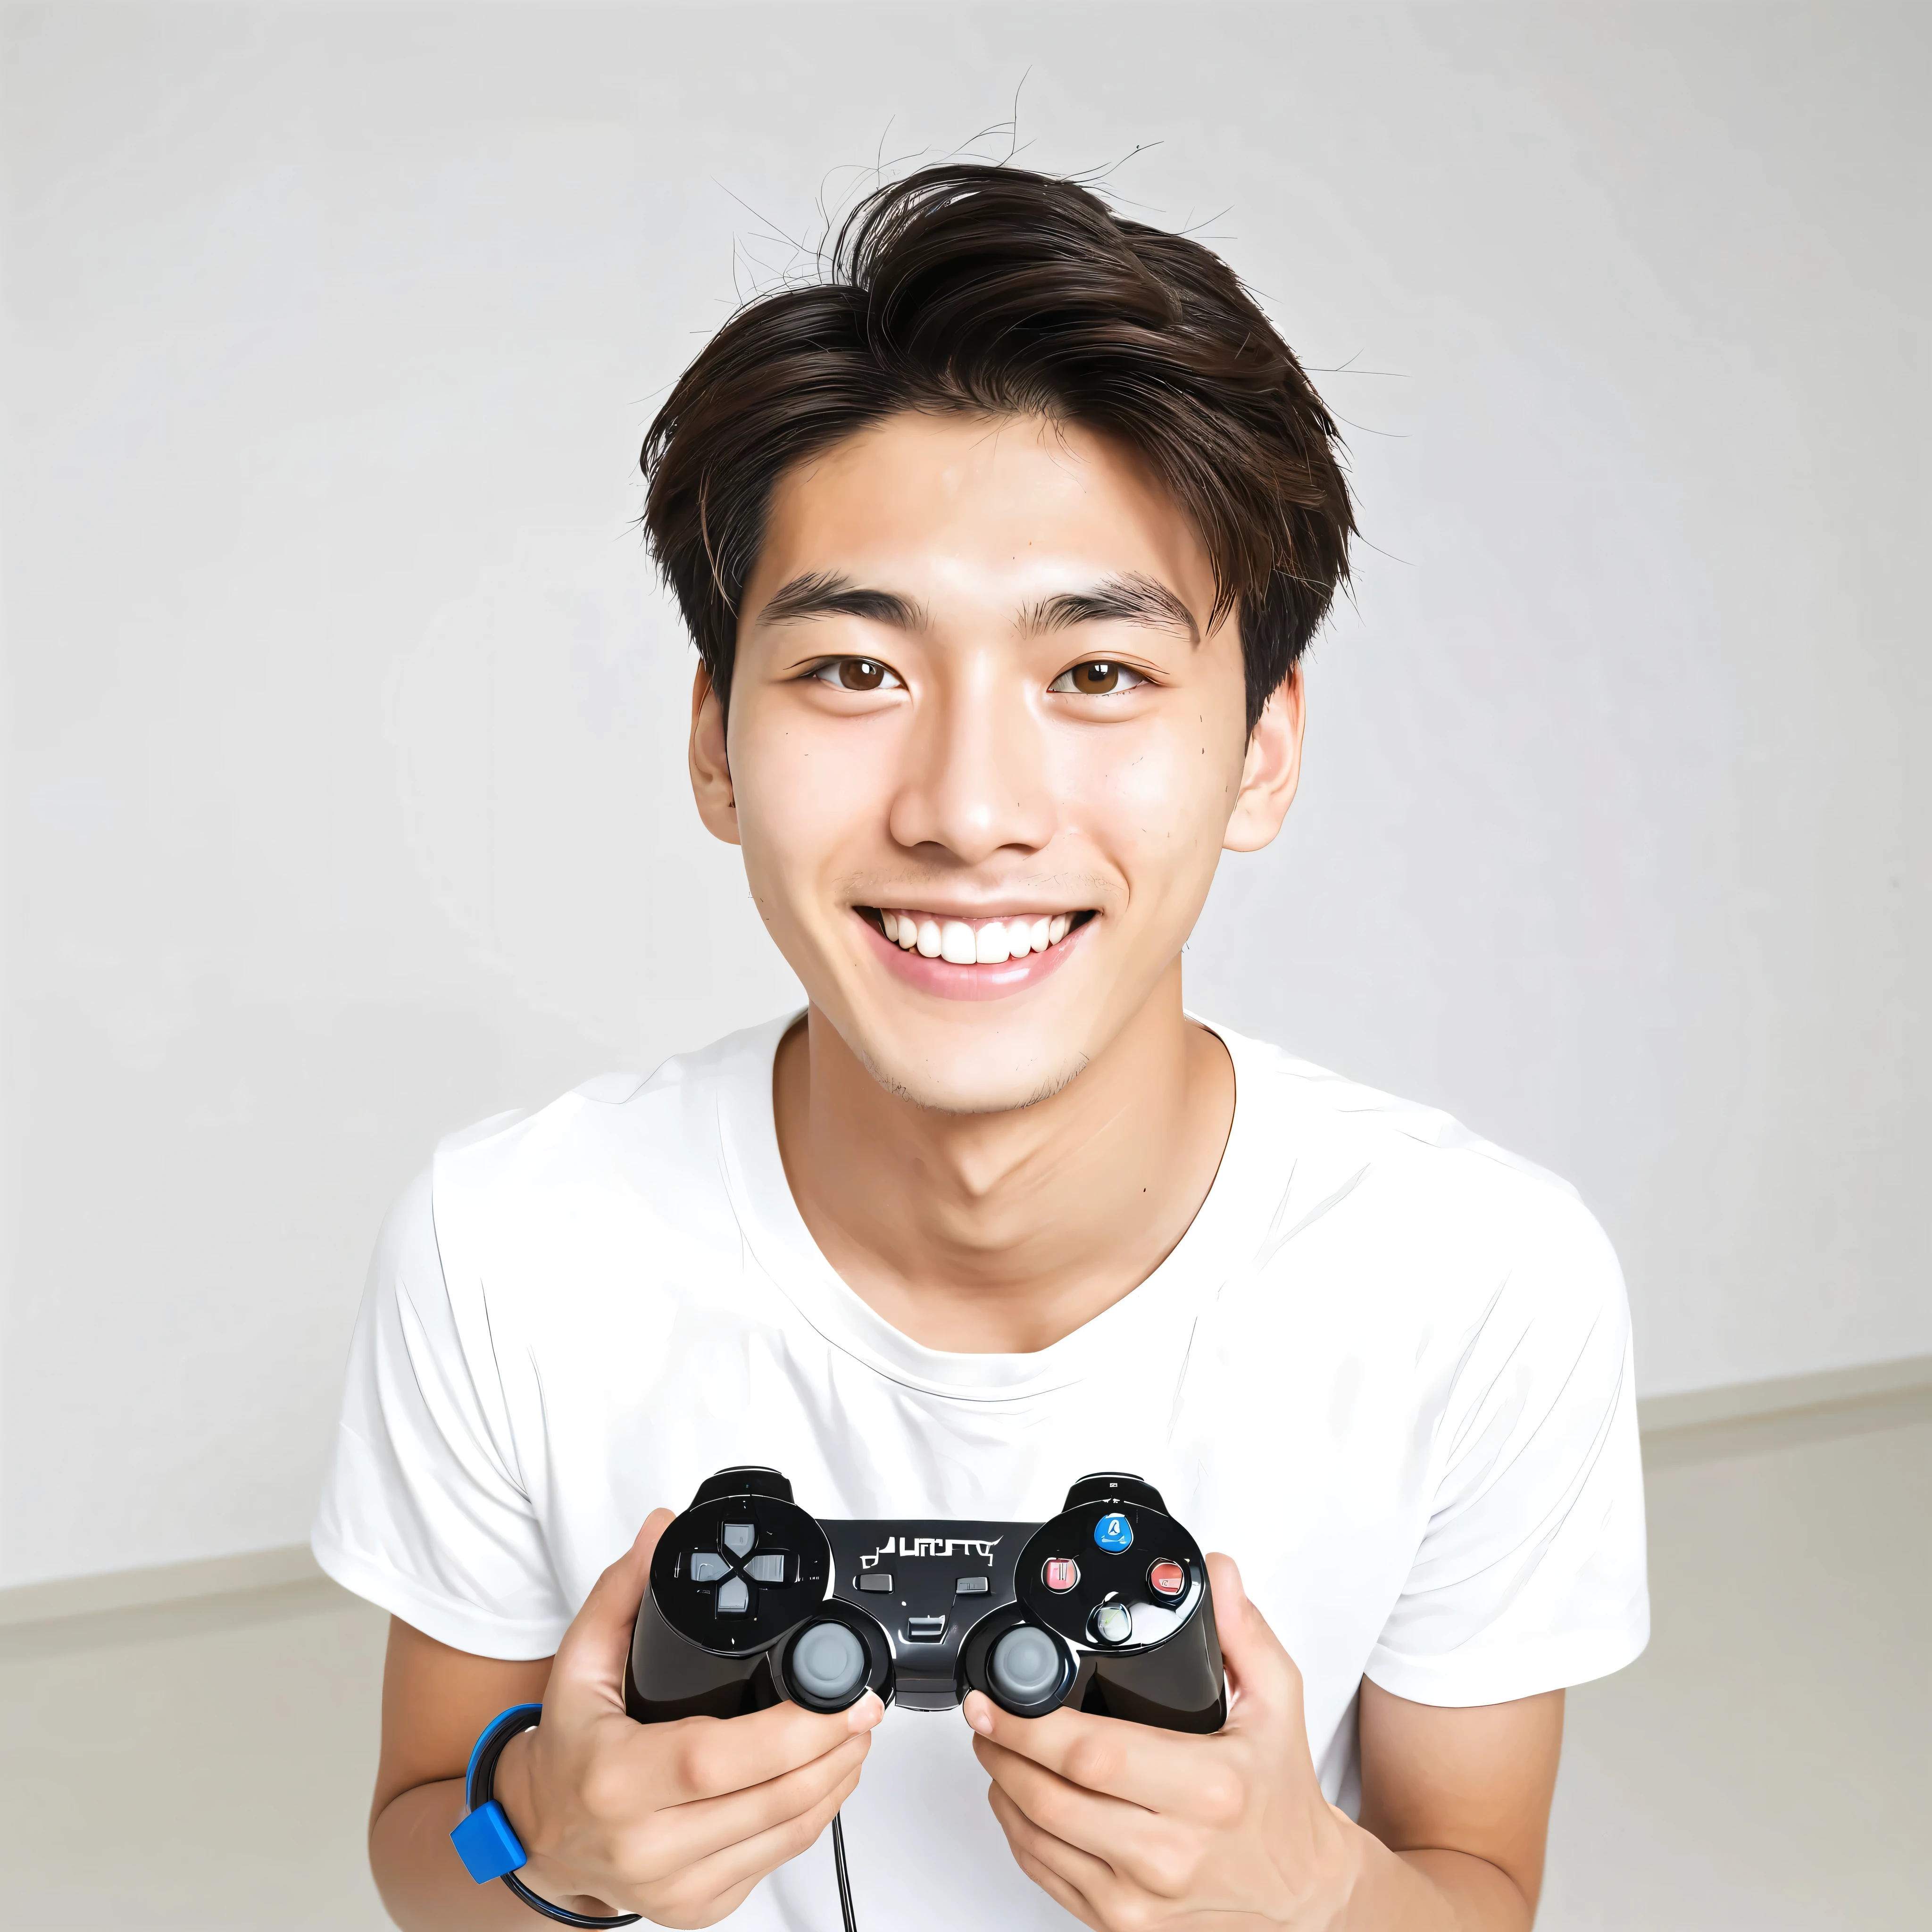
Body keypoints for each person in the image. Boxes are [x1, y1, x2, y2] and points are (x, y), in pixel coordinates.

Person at [313, 163, 1647, 1932]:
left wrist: (1305, 1893)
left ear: (1260, 751)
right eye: (856, 670)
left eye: (1097, 674)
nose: (967, 810)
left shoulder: (1482, 1281)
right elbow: (434, 1844)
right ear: (715, 745)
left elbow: (1476, 1891)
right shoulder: (507, 1250)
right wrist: (551, 1844)